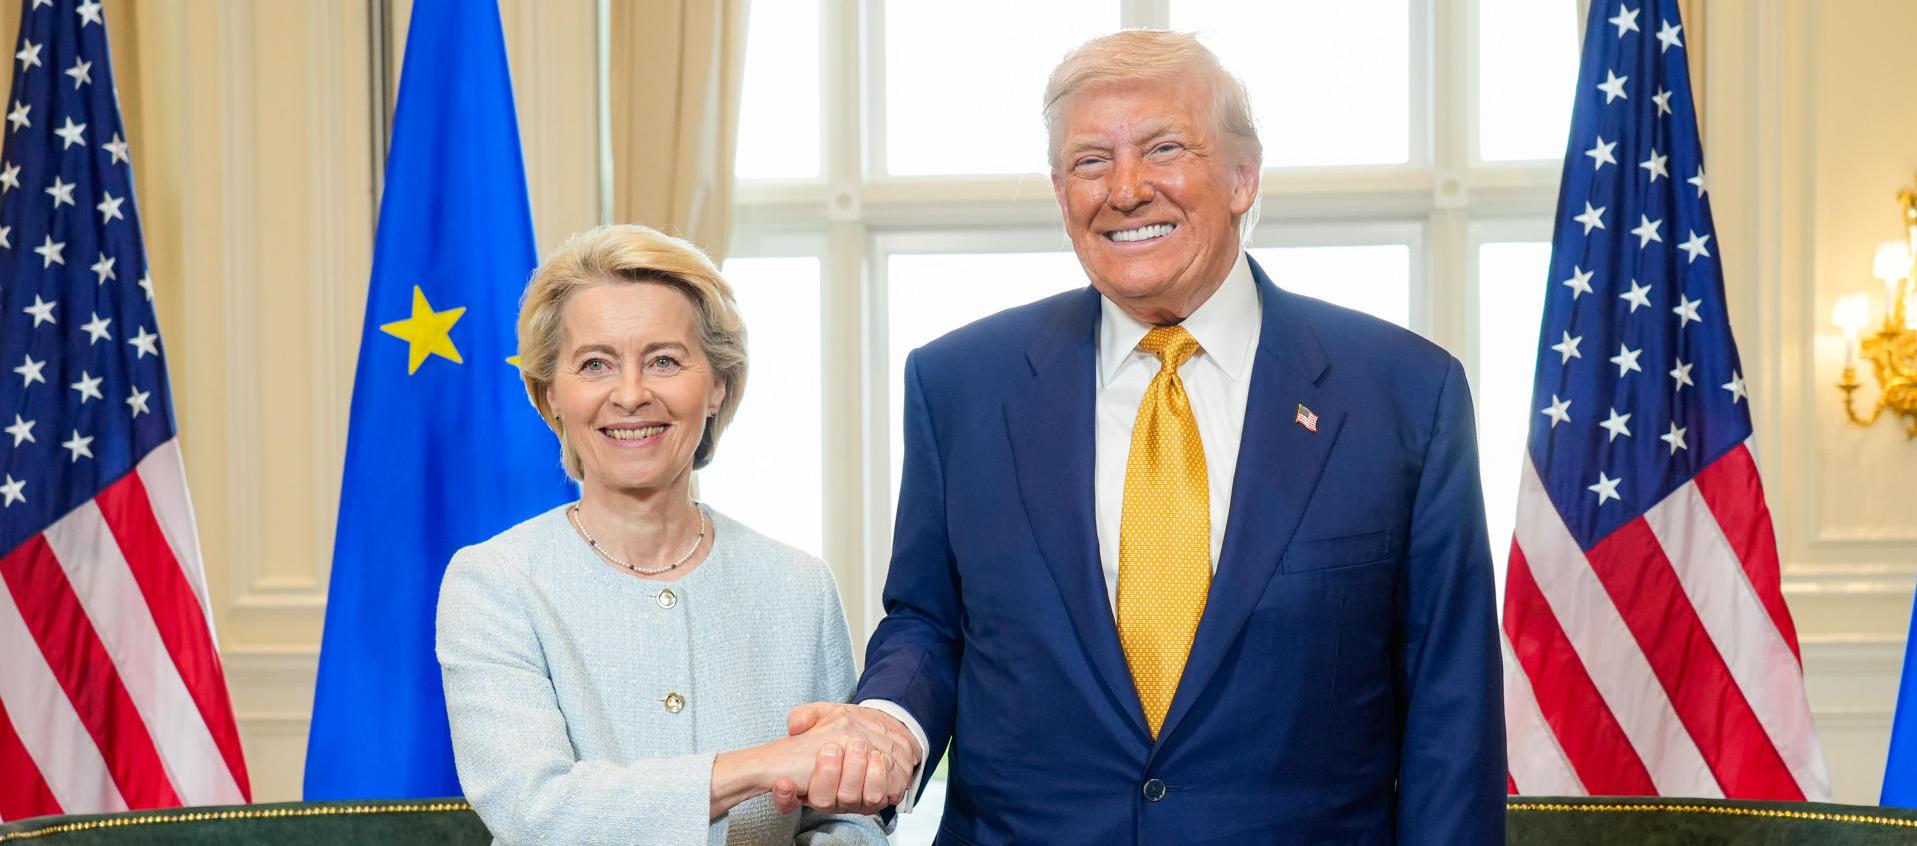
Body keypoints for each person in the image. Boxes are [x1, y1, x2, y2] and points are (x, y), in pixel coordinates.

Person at [786, 30, 1504, 843]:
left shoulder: (1404, 392)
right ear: (1060, 192)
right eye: (1090, 161)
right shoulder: (958, 384)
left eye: (1164, 149)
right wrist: (888, 720)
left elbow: (1451, 696)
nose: (1125, 190)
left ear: (1243, 176)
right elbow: (930, 620)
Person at [436, 225, 892, 845]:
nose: (630, 395)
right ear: (551, 397)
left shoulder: (798, 585)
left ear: (718, 387)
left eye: (665, 361)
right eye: (595, 364)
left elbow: (846, 815)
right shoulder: (494, 582)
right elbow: (534, 810)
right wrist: (760, 765)